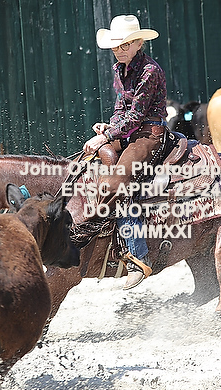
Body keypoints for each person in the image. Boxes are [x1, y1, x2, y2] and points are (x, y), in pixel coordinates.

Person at [82, 15, 168, 290]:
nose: (119, 50)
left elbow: (137, 115)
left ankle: (138, 258)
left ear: (139, 43)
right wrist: (109, 126)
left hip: (149, 134)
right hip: (130, 131)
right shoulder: (119, 69)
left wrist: (107, 136)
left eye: (125, 45)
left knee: (117, 184)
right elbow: (122, 110)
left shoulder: (149, 71)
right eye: (116, 46)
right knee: (87, 162)